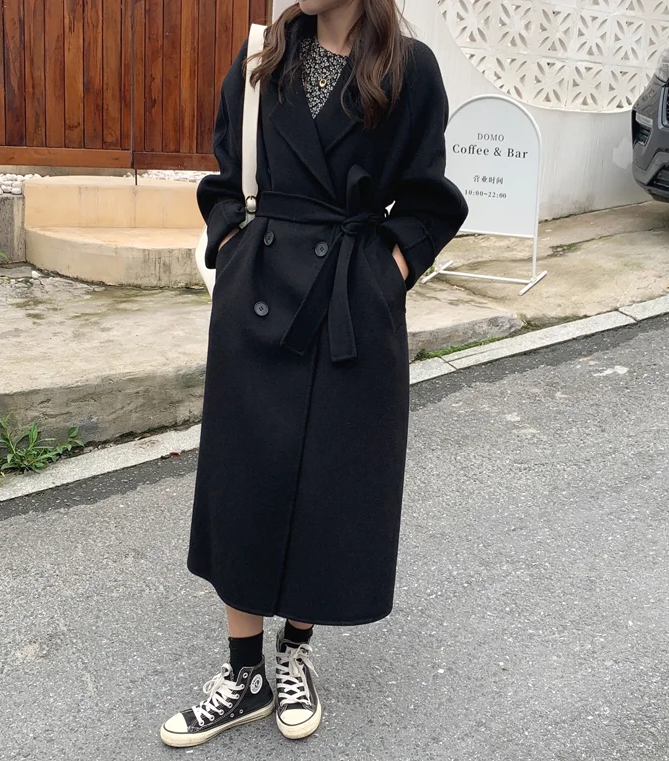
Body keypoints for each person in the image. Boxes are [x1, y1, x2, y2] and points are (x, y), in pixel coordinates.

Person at [160, 0, 467, 747]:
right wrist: (232, 245)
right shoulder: (262, 57)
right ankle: (243, 673)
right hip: (258, 297)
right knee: (243, 481)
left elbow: (428, 200)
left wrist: (384, 274)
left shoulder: (409, 69)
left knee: (330, 484)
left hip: (349, 309)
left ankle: (293, 653)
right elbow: (226, 175)